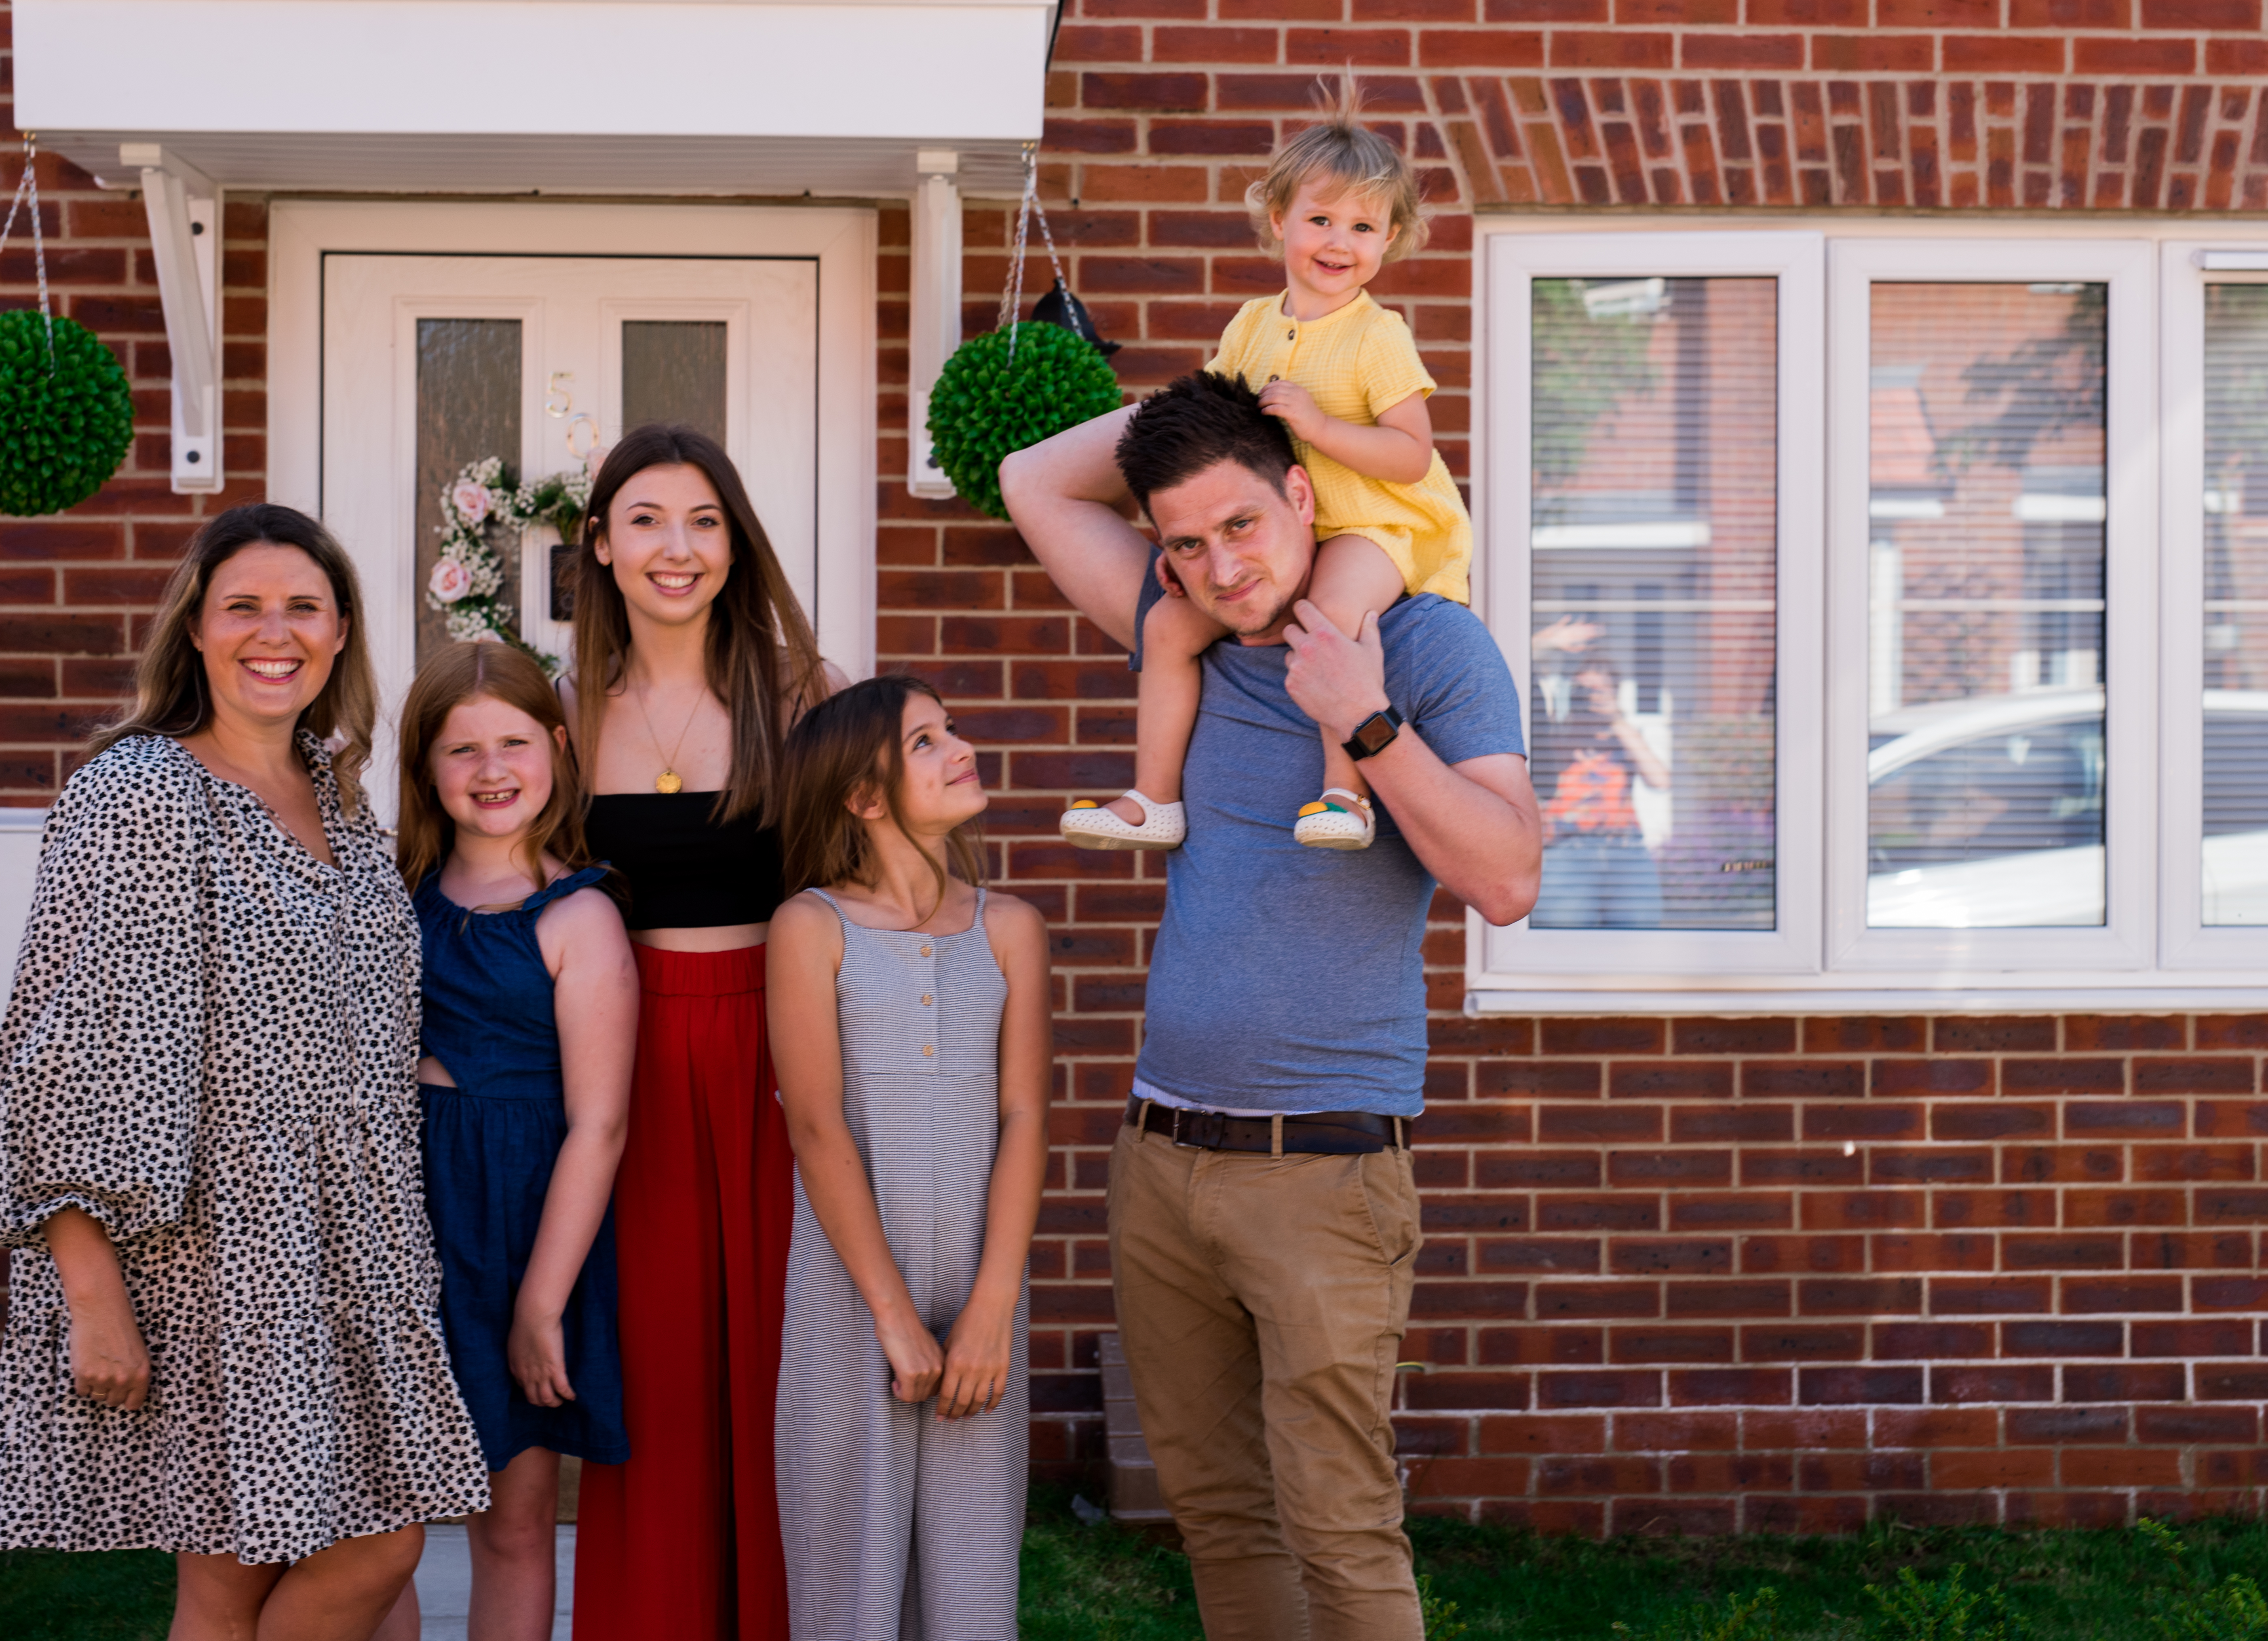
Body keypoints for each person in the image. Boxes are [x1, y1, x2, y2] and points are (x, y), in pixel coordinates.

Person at [1001, 374, 1539, 1640]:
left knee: (1339, 1524)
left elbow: (1505, 876)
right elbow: (1032, 477)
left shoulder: (1427, 644)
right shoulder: (1176, 625)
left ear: (1301, 490)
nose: (1216, 567)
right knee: (1219, 1515)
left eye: (1240, 523)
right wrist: (1238, 375)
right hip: (1162, 1158)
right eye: (1181, 542)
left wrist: (1361, 721)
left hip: (1325, 1170)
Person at [0, 505, 489, 1641]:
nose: (275, 632)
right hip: (210, 1242)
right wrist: (92, 1294)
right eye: (242, 606)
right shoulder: (144, 793)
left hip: (351, 1239)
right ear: (195, 630)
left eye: (302, 607)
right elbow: (72, 1049)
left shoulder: (341, 803)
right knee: (288, 1561)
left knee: (356, 1536)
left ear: (341, 631)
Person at [566, 422, 842, 1640]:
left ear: (733, 543)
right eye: (645, 520)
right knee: (662, 1368)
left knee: (783, 1369)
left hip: (783, 1053)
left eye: (702, 521)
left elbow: (865, 885)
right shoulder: (564, 711)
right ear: (600, 545)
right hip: (622, 1065)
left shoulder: (800, 691)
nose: (674, 549)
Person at [1060, 72, 1472, 859]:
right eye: (1319, 219)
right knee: (1168, 623)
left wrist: (1319, 425)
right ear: (1279, 219)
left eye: (1361, 227)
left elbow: (1410, 452)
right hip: (1284, 529)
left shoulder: (1375, 336)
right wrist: (1184, 545)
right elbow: (1214, 432)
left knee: (1331, 614)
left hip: (1376, 523)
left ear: (1387, 240)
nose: (1336, 243)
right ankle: (1154, 797)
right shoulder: (1251, 325)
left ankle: (1343, 793)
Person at [766, 677, 1052, 1641]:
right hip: (852, 1301)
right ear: (864, 794)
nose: (958, 745)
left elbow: (1023, 1116)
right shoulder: (810, 928)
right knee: (848, 1573)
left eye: (951, 729)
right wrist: (893, 1315)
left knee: (973, 1586)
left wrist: (991, 1307)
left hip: (981, 1296)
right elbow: (816, 1125)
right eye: (925, 740)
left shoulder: (1009, 929)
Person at [381, 640, 635, 1641]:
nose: (492, 770)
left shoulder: (579, 917)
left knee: (513, 1514)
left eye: (515, 743)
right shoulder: (393, 899)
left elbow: (600, 1122)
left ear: (559, 748)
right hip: (396, 1213)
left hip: (517, 1220)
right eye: (461, 749)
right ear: (425, 770)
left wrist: (542, 1302)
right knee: (378, 1514)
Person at [1529, 619, 1672, 930]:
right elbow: (1509, 667)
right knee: (1560, 947)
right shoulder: (1551, 734)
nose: (1591, 697)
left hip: (1627, 852)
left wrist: (1616, 719)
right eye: (1585, 690)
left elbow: (1660, 780)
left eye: (1601, 690)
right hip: (1566, 852)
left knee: (1637, 946)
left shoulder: (1623, 736)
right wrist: (1546, 643)